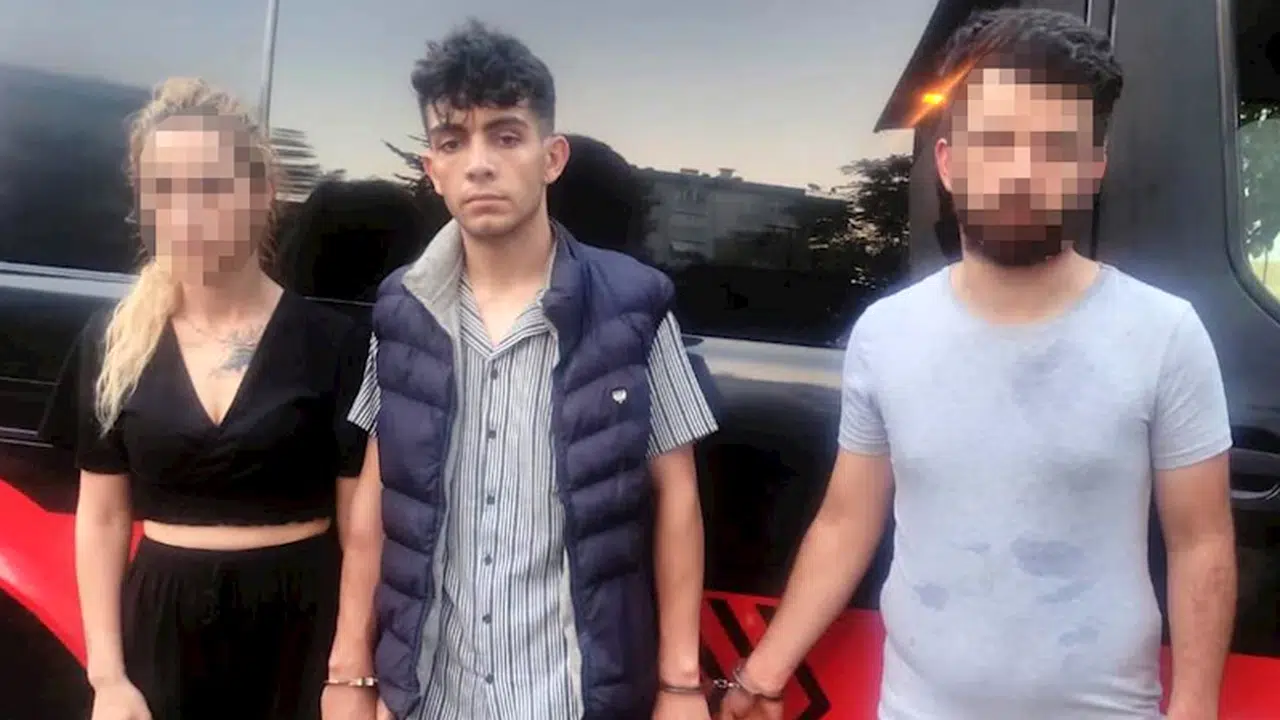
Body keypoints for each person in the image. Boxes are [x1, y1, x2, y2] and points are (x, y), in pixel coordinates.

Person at [722, 9, 1236, 720]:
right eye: (996, 140)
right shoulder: (886, 334)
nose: (1021, 172)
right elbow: (845, 521)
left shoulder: (1165, 333)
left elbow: (1201, 542)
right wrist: (762, 673)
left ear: (1093, 167)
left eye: (1054, 146)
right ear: (948, 161)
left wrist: (1196, 708)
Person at [346, 19, 719, 720]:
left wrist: (679, 683)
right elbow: (376, 497)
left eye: (506, 136)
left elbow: (677, 499)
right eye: (452, 141)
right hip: (431, 694)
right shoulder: (402, 309)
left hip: (569, 695)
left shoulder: (633, 307)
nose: (479, 164)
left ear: (552, 157)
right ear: (432, 169)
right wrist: (349, 671)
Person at [38, 78, 383, 720]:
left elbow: (363, 531)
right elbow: (103, 518)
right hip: (159, 634)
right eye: (163, 189)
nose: (186, 212)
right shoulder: (113, 342)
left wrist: (350, 671)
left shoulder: (336, 342)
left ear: (263, 192)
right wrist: (108, 678)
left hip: (300, 633)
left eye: (210, 186)